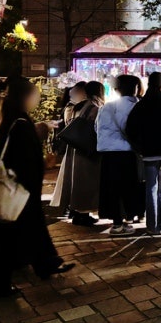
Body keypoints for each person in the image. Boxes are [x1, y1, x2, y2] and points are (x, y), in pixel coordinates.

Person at [0, 77, 74, 297]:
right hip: (18, 189)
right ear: (25, 96)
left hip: (18, 187)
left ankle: (44, 263)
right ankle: (2, 283)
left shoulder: (9, 116)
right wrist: (43, 161)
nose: (37, 99)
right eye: (35, 95)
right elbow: (23, 157)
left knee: (26, 229)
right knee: (11, 235)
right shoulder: (19, 122)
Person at [126, 72, 161, 236]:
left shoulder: (141, 105)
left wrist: (139, 148)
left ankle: (152, 225)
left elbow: (130, 129)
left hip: (149, 152)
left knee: (151, 188)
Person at [96, 75, 141, 236]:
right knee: (128, 187)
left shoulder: (106, 106)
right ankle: (128, 220)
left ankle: (116, 222)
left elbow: (97, 128)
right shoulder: (136, 106)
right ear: (136, 88)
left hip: (108, 153)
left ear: (117, 89)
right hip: (127, 152)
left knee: (112, 188)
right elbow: (133, 129)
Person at [56, 81, 105, 227]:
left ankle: (77, 213)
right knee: (86, 182)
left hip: (75, 148)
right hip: (87, 149)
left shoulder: (78, 106)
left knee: (76, 181)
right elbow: (97, 129)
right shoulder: (94, 107)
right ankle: (83, 214)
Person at [51, 81, 88, 216]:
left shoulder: (74, 106)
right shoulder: (73, 107)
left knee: (70, 179)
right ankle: (73, 209)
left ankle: (72, 208)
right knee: (73, 179)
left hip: (73, 147)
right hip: (75, 147)